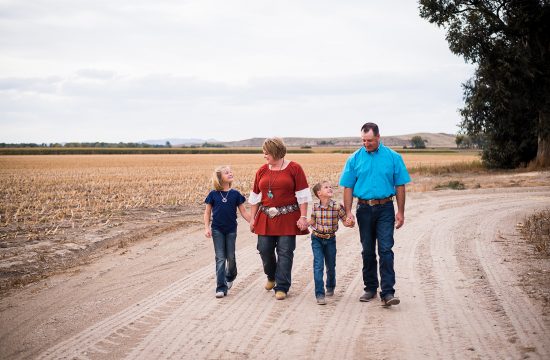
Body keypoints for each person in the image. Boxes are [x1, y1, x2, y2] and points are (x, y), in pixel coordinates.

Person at [339, 122, 411, 306]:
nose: (366, 144)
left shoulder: (393, 157)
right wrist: (348, 212)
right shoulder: (354, 159)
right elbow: (347, 186)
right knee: (368, 250)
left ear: (379, 137)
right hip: (363, 209)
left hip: (385, 208)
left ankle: (387, 293)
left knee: (386, 249)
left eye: (370, 140)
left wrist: (400, 212)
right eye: (363, 140)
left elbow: (400, 185)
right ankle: (370, 288)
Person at [249, 137, 311, 300]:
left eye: (267, 153)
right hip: (265, 217)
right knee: (264, 249)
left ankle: (282, 286)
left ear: (276, 152)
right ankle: (271, 276)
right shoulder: (262, 170)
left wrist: (303, 216)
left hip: (288, 217)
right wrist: (252, 219)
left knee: (285, 251)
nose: (264, 156)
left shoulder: (295, 168)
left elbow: (303, 196)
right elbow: (255, 196)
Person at [204, 165, 251, 298]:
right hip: (217, 229)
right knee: (220, 258)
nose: (230, 173)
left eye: (230, 172)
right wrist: (207, 227)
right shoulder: (213, 194)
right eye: (226, 173)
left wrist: (254, 223)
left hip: (231, 230)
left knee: (231, 257)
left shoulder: (235, 194)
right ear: (219, 178)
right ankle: (221, 287)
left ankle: (230, 276)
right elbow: (207, 213)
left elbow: (243, 212)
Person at [308, 180, 353, 305]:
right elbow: (313, 220)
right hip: (316, 238)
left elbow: (345, 221)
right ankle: (319, 294)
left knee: (331, 265)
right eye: (326, 187)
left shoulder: (337, 206)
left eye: (330, 187)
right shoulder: (315, 207)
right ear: (319, 193)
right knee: (318, 265)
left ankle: (330, 286)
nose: (330, 188)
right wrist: (306, 223)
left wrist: (350, 223)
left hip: (330, 239)